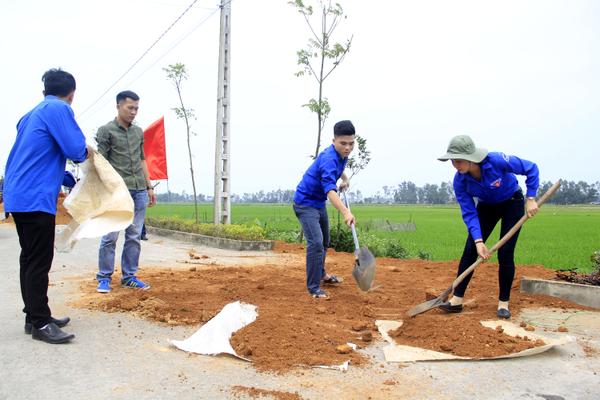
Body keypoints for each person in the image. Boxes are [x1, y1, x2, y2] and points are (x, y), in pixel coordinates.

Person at [3, 68, 90, 344]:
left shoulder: (29, 115)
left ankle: (34, 316)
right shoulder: (59, 110)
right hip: (35, 196)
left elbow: (41, 155)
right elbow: (76, 150)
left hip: (18, 193)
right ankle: (40, 323)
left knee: (29, 257)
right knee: (39, 260)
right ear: (71, 95)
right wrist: (91, 153)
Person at [437, 135, 539, 319]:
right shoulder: (460, 181)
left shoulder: (496, 160)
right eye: (453, 161)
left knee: (505, 252)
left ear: (471, 158)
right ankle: (457, 300)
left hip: (512, 202)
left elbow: (531, 168)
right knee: (470, 250)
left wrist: (530, 198)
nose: (456, 165)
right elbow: (469, 212)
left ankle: (503, 303)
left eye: (459, 161)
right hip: (487, 206)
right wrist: (478, 241)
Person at [95, 90, 156, 293]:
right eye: (130, 108)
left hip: (138, 189)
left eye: (136, 108)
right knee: (110, 236)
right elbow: (101, 163)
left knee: (134, 235)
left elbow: (141, 160)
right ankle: (104, 277)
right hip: (116, 192)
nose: (134, 112)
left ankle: (129, 276)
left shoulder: (138, 133)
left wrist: (149, 187)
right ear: (118, 106)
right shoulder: (106, 131)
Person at [293, 120, 357, 299]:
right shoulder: (329, 158)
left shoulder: (341, 155)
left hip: (318, 203)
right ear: (333, 141)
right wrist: (346, 212)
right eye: (343, 143)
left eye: (351, 143)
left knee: (325, 241)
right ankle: (313, 288)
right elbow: (330, 190)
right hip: (305, 204)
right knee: (316, 243)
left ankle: (321, 274)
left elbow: (340, 168)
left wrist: (344, 178)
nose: (347, 148)